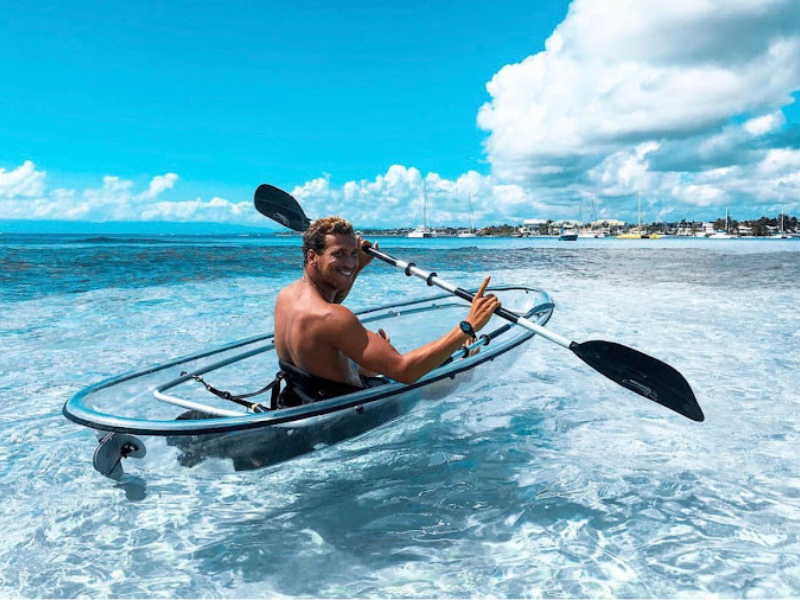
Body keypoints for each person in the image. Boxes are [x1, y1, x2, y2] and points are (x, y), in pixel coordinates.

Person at [273, 216, 500, 405]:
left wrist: (357, 268)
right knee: (435, 384)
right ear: (313, 256)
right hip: (348, 411)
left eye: (353, 253)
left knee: (383, 364)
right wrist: (468, 326)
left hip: (303, 397)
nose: (350, 263)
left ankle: (368, 366)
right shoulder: (332, 317)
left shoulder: (288, 297)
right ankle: (465, 369)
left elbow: (327, 306)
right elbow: (405, 371)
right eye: (339, 254)